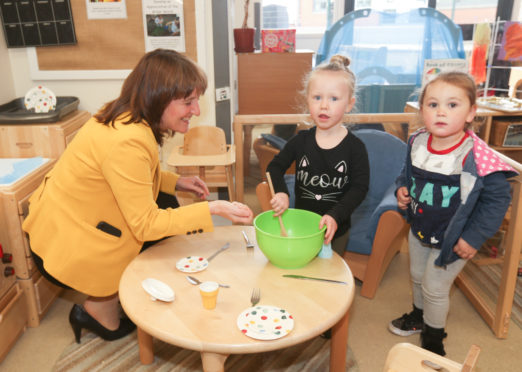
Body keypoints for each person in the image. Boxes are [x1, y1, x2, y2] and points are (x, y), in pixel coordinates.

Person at [22, 49, 254, 344]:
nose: (196, 110)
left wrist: (175, 181)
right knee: (161, 229)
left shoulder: (124, 116)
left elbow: (130, 176)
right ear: (158, 98)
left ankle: (111, 297)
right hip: (66, 241)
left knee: (167, 205)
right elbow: (145, 224)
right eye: (188, 102)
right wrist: (214, 208)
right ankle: (94, 309)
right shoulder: (127, 142)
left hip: (61, 221)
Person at [388, 72, 518, 355]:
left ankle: (434, 338)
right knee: (417, 276)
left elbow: (497, 200)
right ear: (422, 109)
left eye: (453, 105)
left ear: (471, 112)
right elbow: (406, 173)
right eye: (433, 105)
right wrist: (402, 189)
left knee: (435, 287)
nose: (441, 112)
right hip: (420, 227)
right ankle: (420, 316)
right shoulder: (417, 141)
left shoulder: (476, 156)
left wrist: (474, 238)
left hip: (455, 237)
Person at [266, 54, 369, 256]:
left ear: (349, 103)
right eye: (317, 97)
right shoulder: (300, 141)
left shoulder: (355, 148)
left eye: (333, 98)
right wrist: (281, 192)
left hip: (336, 230)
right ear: (308, 101)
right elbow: (274, 167)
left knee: (330, 275)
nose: (324, 105)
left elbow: (359, 188)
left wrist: (335, 216)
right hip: (303, 228)